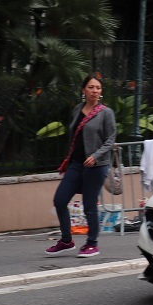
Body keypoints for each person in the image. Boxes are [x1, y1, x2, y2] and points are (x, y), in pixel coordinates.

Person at [47, 75, 117, 258]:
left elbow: (111, 139)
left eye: (98, 88)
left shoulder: (105, 113)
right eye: (91, 87)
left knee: (89, 205)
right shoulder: (78, 109)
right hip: (76, 164)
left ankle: (92, 243)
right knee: (60, 200)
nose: (95, 91)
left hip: (96, 165)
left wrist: (95, 156)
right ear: (83, 90)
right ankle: (66, 240)